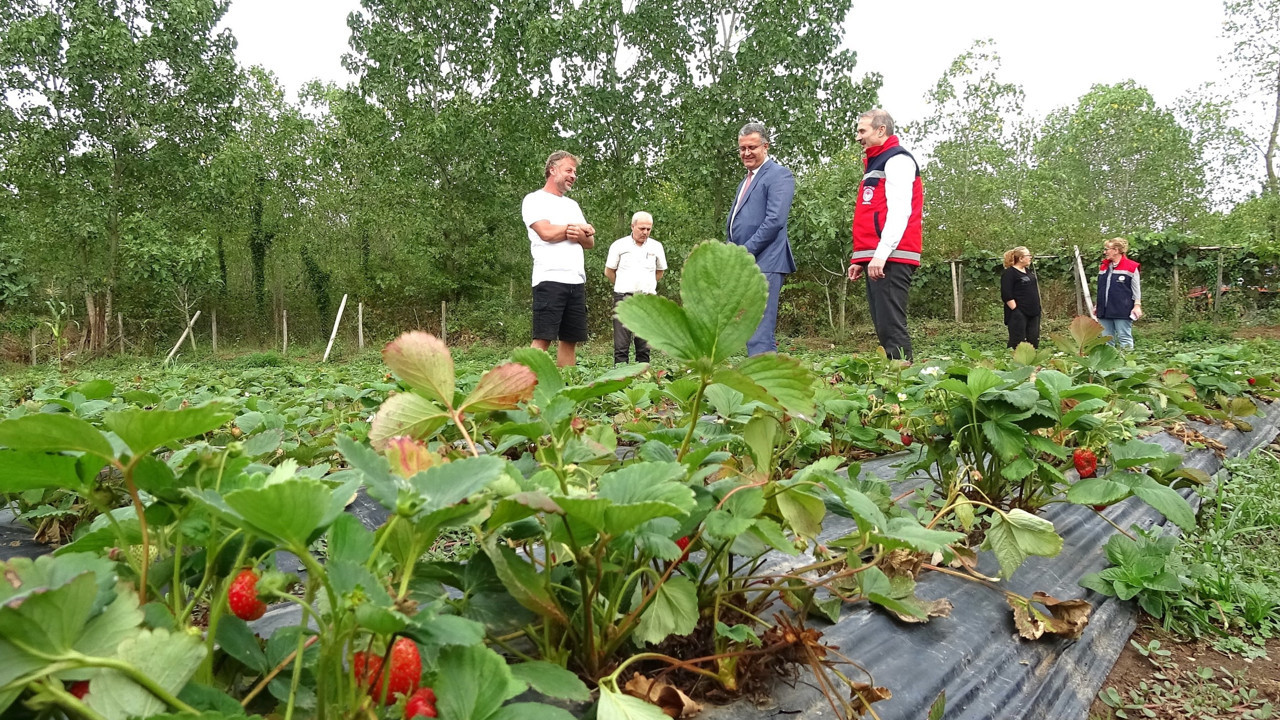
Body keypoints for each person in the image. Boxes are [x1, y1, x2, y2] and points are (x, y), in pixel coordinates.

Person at [847, 108, 923, 361]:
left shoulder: (897, 160)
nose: (858, 137)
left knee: (891, 324)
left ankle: (902, 375)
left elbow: (900, 210)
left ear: (881, 130)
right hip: (881, 254)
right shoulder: (877, 162)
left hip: (893, 254)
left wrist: (880, 255)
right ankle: (896, 372)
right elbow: (873, 212)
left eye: (862, 131)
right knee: (883, 323)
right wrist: (862, 258)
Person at [726, 122, 796, 356]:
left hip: (766, 262)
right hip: (747, 263)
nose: (746, 153)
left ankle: (766, 378)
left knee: (760, 332)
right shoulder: (745, 181)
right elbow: (738, 223)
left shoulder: (778, 175)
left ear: (765, 147)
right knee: (750, 328)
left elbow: (774, 221)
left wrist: (744, 252)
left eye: (752, 147)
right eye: (742, 148)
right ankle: (759, 375)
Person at [522, 150, 595, 367]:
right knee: (543, 338)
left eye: (575, 172)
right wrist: (574, 229)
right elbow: (546, 232)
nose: (573, 176)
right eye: (569, 170)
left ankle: (567, 384)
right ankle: (522, 384)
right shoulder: (534, 200)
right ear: (552, 170)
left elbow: (589, 242)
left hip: (576, 280)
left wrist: (576, 232)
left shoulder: (572, 206)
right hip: (549, 279)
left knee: (570, 340)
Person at [605, 211, 667, 364]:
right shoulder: (619, 245)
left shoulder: (656, 247)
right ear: (632, 226)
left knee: (644, 346)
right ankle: (621, 376)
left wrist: (647, 284)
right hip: (623, 298)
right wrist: (623, 285)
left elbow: (660, 272)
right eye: (641, 228)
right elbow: (609, 271)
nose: (645, 232)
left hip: (646, 300)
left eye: (648, 229)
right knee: (621, 346)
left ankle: (644, 376)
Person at [1094, 237, 1142, 350]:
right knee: (1106, 339)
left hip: (1122, 309)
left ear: (1116, 250)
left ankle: (1128, 360)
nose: (1105, 252)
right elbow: (1101, 288)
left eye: (1107, 249)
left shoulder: (1131, 266)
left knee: (1124, 337)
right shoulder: (1104, 266)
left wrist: (1137, 305)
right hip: (1103, 310)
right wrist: (1097, 305)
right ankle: (1109, 360)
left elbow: (1136, 289)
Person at [1001, 246, 1042, 349]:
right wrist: (1015, 310)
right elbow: (1006, 294)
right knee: (1017, 341)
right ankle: (1013, 358)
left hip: (1034, 312)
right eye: (1028, 255)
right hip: (1019, 313)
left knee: (1033, 340)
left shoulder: (1028, 271)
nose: (1030, 257)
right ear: (1021, 258)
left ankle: (1031, 358)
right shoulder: (1009, 273)